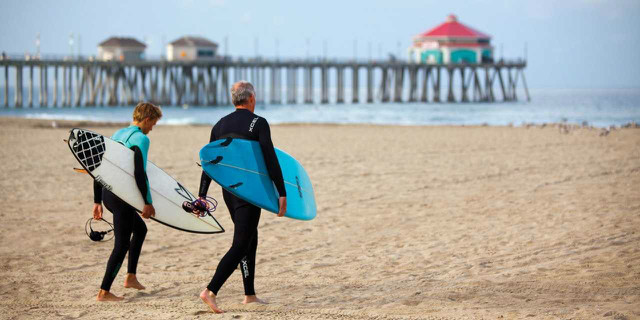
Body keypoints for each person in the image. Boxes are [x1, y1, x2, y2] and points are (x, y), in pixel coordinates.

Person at [198, 81, 287, 313]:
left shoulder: (220, 124)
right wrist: (282, 192)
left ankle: (249, 294)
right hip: (250, 192)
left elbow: (209, 163)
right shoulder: (258, 123)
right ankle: (210, 290)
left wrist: (202, 195)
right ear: (251, 99)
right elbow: (270, 158)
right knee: (240, 245)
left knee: (250, 239)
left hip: (230, 192)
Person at [92, 102, 162, 301]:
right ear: (146, 119)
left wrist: (97, 201)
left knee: (140, 230)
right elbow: (139, 172)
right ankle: (104, 291)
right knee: (121, 245)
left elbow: (99, 167)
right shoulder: (141, 139)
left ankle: (131, 277)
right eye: (153, 124)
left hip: (108, 194)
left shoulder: (118, 134)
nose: (152, 129)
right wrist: (147, 202)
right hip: (122, 198)